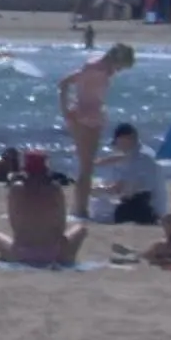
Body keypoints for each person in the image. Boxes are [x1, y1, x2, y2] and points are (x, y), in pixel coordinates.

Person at [56, 43, 134, 217]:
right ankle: (80, 208)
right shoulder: (98, 70)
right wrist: (65, 111)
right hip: (89, 117)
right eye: (121, 66)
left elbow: (65, 82)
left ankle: (80, 206)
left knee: (85, 165)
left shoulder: (93, 65)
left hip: (80, 113)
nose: (119, 71)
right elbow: (66, 84)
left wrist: (66, 110)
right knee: (87, 166)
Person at [0, 151, 87, 266]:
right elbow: (62, 224)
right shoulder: (55, 188)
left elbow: (14, 224)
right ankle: (67, 258)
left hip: (21, 252)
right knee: (80, 229)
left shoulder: (16, 189)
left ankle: (13, 258)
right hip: (55, 252)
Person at [91, 122, 167, 225]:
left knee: (98, 204)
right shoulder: (143, 152)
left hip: (148, 208)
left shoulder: (141, 158)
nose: (117, 147)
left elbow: (124, 188)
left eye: (118, 143)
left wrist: (100, 190)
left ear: (127, 138)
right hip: (151, 204)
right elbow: (119, 158)